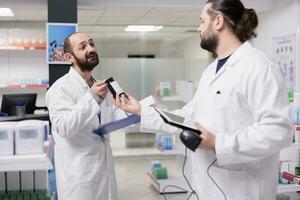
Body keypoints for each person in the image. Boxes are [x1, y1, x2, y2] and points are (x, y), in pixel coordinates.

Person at [113, 0, 293, 199]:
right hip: (207, 187)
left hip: (242, 191)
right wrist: (141, 110)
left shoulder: (258, 66)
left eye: (201, 21)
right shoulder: (210, 71)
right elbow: (187, 117)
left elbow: (278, 130)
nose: (198, 28)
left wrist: (218, 143)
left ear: (218, 21)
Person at [46, 32, 124, 200]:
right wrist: (92, 98)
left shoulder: (99, 86)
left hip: (105, 175)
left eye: (92, 44)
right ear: (70, 57)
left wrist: (129, 109)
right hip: (80, 181)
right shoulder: (60, 89)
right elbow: (63, 127)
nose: (91, 48)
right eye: (83, 47)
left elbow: (109, 119)